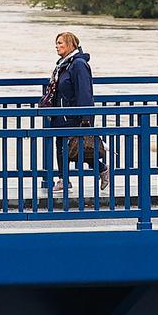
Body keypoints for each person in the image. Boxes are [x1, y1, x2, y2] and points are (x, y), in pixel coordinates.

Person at [41, 31, 108, 195]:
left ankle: (102, 169)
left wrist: (86, 117)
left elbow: (85, 91)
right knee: (61, 146)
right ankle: (64, 180)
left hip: (73, 115)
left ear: (70, 45)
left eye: (60, 43)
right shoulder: (63, 64)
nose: (57, 46)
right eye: (56, 43)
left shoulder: (78, 64)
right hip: (61, 113)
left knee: (77, 148)